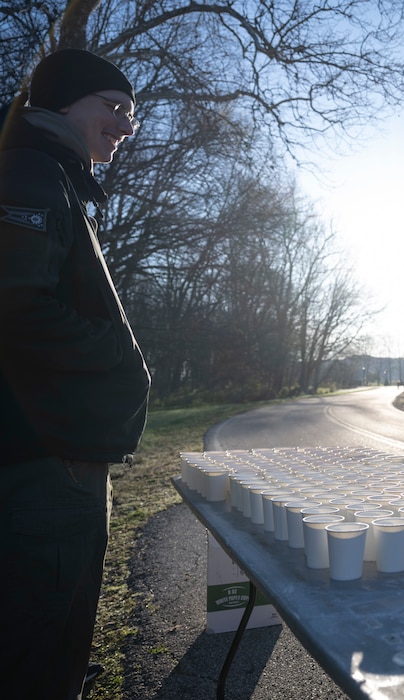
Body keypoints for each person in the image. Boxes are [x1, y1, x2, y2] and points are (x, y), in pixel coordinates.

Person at [0, 49, 150, 699]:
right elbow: (15, 305)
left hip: (59, 453)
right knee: (34, 637)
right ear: (59, 105)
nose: (124, 126)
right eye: (112, 108)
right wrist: (116, 356)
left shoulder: (50, 176)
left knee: (56, 628)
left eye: (132, 117)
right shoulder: (29, 174)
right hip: (45, 457)